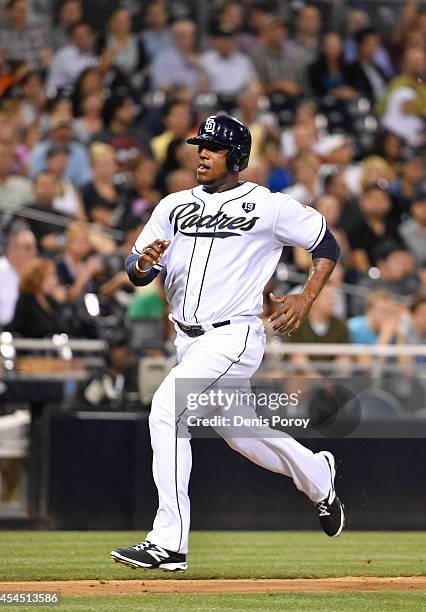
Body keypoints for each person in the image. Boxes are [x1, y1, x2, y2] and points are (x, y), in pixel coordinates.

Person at [111, 114, 344, 571]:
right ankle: (319, 476)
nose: (202, 153)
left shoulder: (267, 205)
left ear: (235, 157)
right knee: (244, 435)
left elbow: (326, 242)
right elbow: (136, 272)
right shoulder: (173, 205)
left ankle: (169, 542)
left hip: (234, 335)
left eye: (213, 148)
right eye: (200, 145)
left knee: (167, 408)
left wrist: (307, 296)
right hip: (188, 341)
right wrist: (144, 263)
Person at [8, 257, 69, 338]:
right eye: (50, 276)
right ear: (37, 278)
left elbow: (63, 327)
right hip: (32, 348)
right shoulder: (25, 301)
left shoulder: (50, 300)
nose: (55, 280)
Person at [0, 225, 37, 327]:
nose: (33, 253)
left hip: (30, 334)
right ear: (12, 249)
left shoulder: (35, 275)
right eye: (27, 248)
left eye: (34, 247)